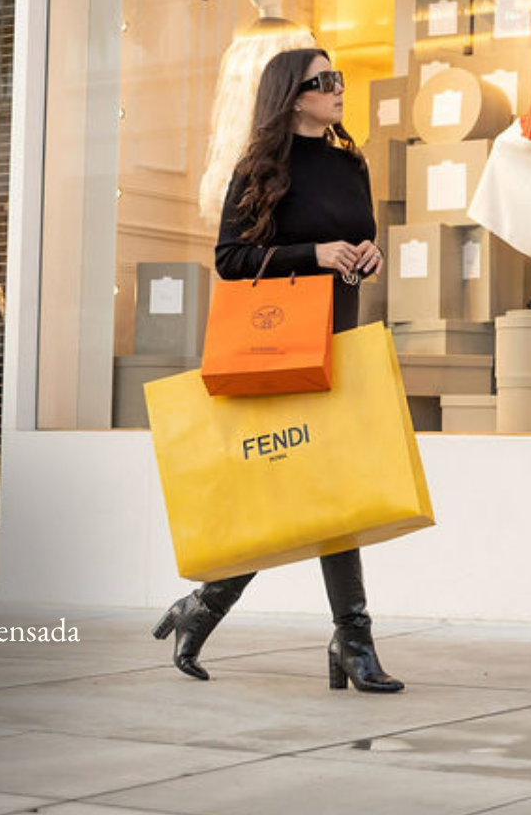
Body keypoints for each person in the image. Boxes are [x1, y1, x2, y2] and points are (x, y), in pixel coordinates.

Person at [151, 47, 404, 693]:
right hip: (282, 352)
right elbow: (231, 260)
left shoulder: (352, 163)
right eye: (325, 82)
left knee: (325, 490)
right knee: (314, 491)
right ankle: (351, 639)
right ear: (294, 96)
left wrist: (365, 256)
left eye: (339, 78)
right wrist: (312, 253)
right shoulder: (260, 170)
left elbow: (360, 238)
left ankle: (209, 609)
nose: (339, 89)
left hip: (339, 342)